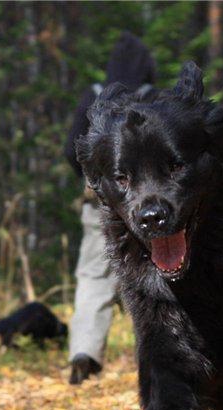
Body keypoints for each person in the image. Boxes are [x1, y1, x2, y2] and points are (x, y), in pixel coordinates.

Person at [65, 31, 156, 384]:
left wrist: (94, 181)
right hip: (143, 205)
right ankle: (154, 357)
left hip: (99, 203)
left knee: (92, 276)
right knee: (151, 276)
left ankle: (83, 353)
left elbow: (70, 149)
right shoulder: (152, 99)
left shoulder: (94, 96)